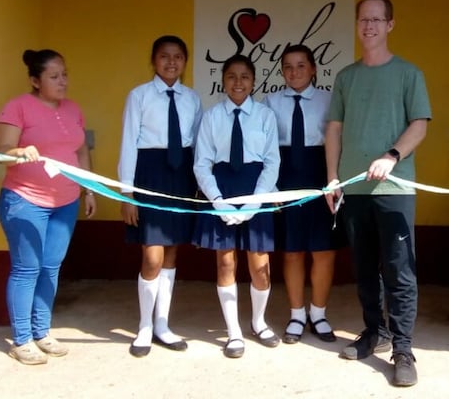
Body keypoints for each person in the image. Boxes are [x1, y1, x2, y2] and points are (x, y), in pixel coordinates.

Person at [324, 0, 431, 387]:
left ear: (390, 25)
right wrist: (333, 178)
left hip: (395, 188)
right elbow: (333, 129)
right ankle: (375, 332)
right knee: (365, 268)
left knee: (399, 270)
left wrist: (392, 155)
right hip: (354, 190)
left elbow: (420, 124)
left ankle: (403, 348)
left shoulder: (408, 73)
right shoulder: (346, 77)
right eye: (362, 19)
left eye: (376, 19)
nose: (368, 26)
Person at [0, 49, 96, 366]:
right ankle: (22, 339)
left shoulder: (73, 109)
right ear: (35, 81)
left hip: (65, 202)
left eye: (64, 74)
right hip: (25, 200)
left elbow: (80, 153)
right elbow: (2, 149)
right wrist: (20, 150)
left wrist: (88, 190)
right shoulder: (17, 107)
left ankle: (42, 331)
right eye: (54, 76)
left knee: (51, 267)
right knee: (27, 268)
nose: (62, 81)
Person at [118, 35, 202, 357]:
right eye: (164, 56)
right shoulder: (138, 96)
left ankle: (163, 324)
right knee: (151, 256)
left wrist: (198, 187)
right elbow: (128, 142)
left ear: (185, 61)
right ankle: (143, 326)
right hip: (149, 175)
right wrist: (128, 193)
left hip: (180, 178)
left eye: (178, 56)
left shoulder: (192, 99)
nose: (171, 62)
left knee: (170, 254)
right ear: (153, 60)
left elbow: (197, 145)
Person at [193, 54, 281, 359]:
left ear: (254, 81)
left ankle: (258, 322)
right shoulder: (212, 116)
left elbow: (272, 162)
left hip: (257, 190)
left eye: (245, 76)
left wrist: (256, 202)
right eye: (231, 76)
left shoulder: (265, 116)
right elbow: (202, 163)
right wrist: (218, 202)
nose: (238, 82)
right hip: (223, 190)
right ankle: (233, 332)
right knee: (226, 263)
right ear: (223, 81)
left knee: (260, 266)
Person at [264, 44, 343, 345]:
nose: (294, 72)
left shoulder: (329, 100)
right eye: (287, 66)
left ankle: (319, 314)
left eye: (300, 65)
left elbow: (338, 140)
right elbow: (267, 148)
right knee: (293, 250)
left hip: (321, 176)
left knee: (323, 250)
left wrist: (335, 182)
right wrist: (272, 189)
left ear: (313, 69)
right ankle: (297, 315)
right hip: (285, 177)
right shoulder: (270, 102)